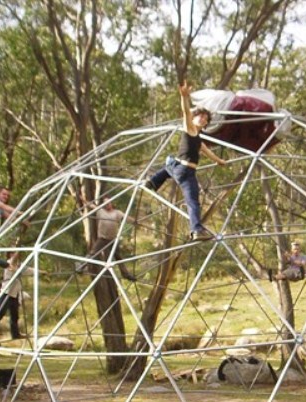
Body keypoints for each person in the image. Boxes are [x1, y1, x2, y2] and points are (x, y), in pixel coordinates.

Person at [146, 81, 228, 242]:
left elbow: (207, 151)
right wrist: (184, 97)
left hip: (178, 167)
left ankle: (152, 182)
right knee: (193, 202)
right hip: (186, 172)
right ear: (194, 117)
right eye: (201, 117)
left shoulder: (198, 138)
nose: (203, 120)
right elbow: (185, 113)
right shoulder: (189, 128)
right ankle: (196, 229)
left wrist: (219, 161)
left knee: (170, 164)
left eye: (206, 119)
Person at [0, 252, 41, 342]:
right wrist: (18, 249)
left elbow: (29, 270)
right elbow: (15, 265)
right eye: (13, 254)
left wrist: (42, 272)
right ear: (10, 255)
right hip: (6, 293)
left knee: (15, 316)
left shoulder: (19, 265)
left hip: (14, 294)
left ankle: (15, 334)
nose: (16, 255)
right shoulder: (9, 263)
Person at [81, 196, 136, 281]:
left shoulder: (117, 213)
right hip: (102, 239)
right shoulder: (100, 211)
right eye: (105, 203)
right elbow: (91, 205)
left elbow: (126, 217)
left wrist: (134, 221)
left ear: (111, 203)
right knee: (93, 253)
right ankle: (82, 266)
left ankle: (126, 274)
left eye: (108, 203)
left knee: (118, 258)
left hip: (112, 240)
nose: (107, 205)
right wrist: (83, 199)